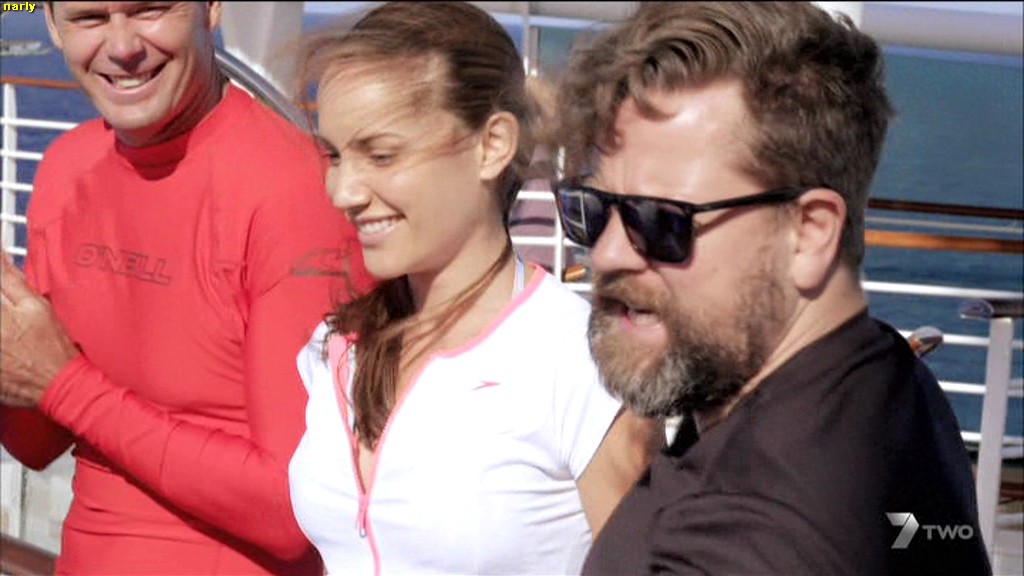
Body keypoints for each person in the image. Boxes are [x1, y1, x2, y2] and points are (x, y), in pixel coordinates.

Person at [551, 2, 992, 575]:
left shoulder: (752, 540)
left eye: (660, 219)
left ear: (808, 232)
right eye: (592, 208)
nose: (607, 253)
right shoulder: (877, 373)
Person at [286, 3, 661, 574]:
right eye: (335, 155)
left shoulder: (582, 361)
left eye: (381, 155)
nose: (343, 191)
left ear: (492, 145)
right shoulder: (334, 347)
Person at [0, 2, 371, 574]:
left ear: (211, 8)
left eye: (150, 9)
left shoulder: (297, 193)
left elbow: (292, 513)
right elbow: (34, 441)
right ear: (52, 23)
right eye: (89, 18)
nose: (122, 46)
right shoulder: (66, 167)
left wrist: (65, 385)